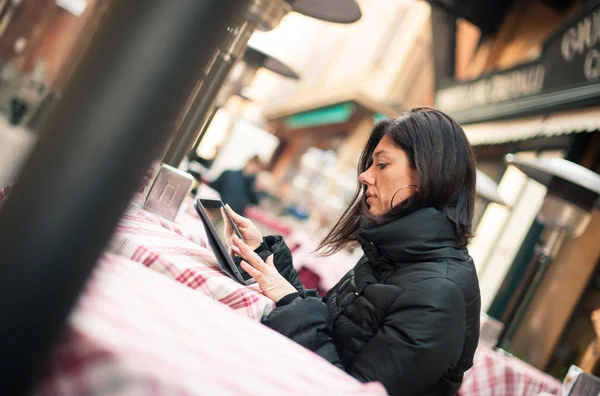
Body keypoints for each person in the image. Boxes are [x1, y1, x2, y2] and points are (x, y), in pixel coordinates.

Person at [225, 107, 481, 396]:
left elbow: (350, 389)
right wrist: (264, 255)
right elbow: (328, 330)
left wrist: (288, 299)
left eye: (382, 165)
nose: (365, 176)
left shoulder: (439, 295)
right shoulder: (389, 253)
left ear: (428, 175)